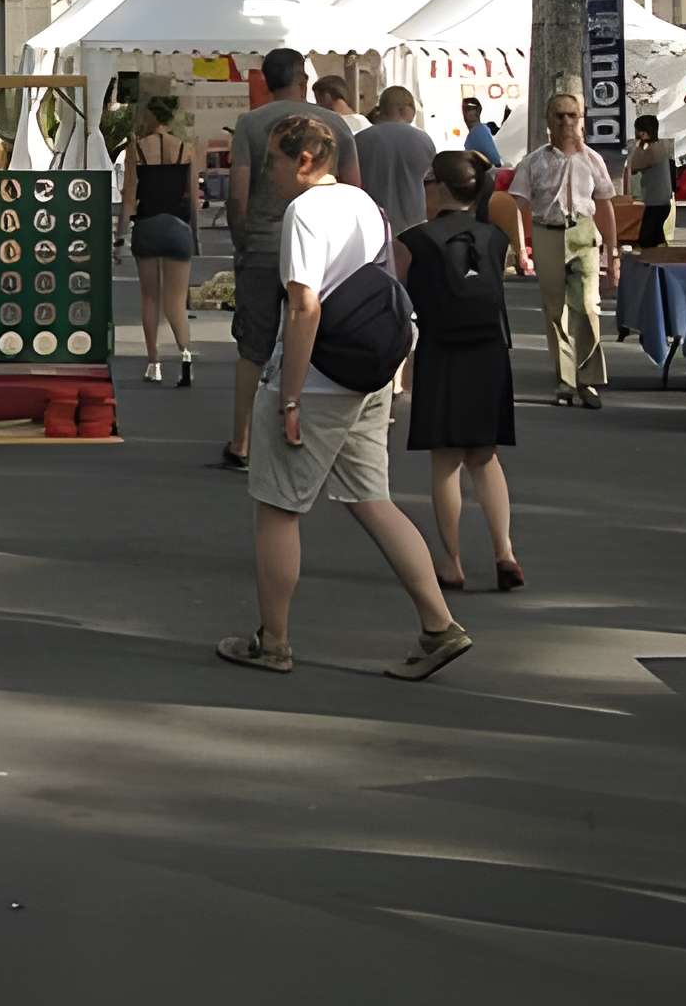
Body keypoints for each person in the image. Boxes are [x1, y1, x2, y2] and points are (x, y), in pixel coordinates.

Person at [217, 117, 472, 682]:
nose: (272, 177)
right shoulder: (364, 203)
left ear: (304, 160)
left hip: (318, 378)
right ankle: (438, 624)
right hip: (369, 371)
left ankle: (274, 641)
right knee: (372, 498)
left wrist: (288, 399)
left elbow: (305, 306)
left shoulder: (303, 214)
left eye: (277, 165)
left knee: (279, 508)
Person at [224, 47, 360, 469]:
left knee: (254, 347)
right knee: (319, 338)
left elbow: (237, 192)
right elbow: (354, 188)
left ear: (265, 81)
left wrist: (243, 239)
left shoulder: (250, 124)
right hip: (325, 249)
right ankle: (323, 434)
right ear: (303, 78)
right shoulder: (336, 123)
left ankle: (242, 441)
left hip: (265, 243)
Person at [400, 151, 521, 592]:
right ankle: (504, 550)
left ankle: (451, 560)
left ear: (437, 187)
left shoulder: (414, 241)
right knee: (485, 456)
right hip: (489, 349)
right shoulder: (495, 238)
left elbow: (400, 302)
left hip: (441, 351)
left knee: (446, 461)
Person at [508, 91, 620, 408]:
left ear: (581, 119)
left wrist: (613, 254)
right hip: (548, 232)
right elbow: (516, 205)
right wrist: (521, 247)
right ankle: (565, 380)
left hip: (583, 233)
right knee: (556, 311)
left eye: (572, 115)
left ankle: (590, 380)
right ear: (549, 122)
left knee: (587, 306)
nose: (567, 121)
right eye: (560, 115)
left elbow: (605, 205)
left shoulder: (592, 160)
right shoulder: (534, 162)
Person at [114, 97, 197, 386]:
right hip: (178, 228)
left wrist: (119, 239)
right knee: (176, 301)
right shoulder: (186, 149)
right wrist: (194, 236)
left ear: (149, 116)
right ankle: (186, 353)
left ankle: (154, 363)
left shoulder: (135, 150)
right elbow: (193, 199)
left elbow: (128, 200)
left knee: (149, 298)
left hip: (147, 227)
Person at [354, 87, 438, 246]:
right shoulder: (422, 140)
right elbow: (431, 183)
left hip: (372, 227)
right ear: (404, 108)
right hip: (414, 226)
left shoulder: (359, 140)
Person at [625, 113, 675, 250]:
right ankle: (662, 261)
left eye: (636, 131)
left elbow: (633, 166)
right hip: (659, 202)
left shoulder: (652, 151)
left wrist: (637, 145)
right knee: (657, 238)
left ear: (642, 133)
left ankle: (652, 265)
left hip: (656, 204)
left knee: (645, 239)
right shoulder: (658, 147)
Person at [460, 95, 502, 166]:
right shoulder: (478, 131)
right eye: (464, 110)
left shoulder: (479, 131)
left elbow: (495, 160)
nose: (464, 114)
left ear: (477, 111)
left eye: (468, 109)